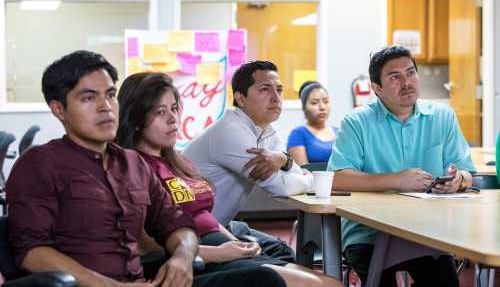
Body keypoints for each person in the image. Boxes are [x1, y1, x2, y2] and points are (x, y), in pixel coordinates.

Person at [6, 50, 287, 287]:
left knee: (263, 279)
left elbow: (178, 226)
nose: (106, 107)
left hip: (149, 279)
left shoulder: (132, 163)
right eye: (89, 98)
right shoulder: (40, 164)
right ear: (58, 109)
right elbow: (32, 252)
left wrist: (182, 256)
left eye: (111, 94)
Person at [116, 71, 341, 287]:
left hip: (216, 242)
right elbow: (146, 246)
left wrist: (232, 241)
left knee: (320, 277)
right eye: (160, 112)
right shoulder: (133, 167)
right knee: (322, 284)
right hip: (194, 258)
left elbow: (204, 216)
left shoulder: (178, 162)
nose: (173, 119)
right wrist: (218, 252)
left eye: (174, 109)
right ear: (136, 119)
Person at [329, 45, 476, 287]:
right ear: (377, 88)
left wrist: (457, 181)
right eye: (395, 77)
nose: (406, 82)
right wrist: (396, 180)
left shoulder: (443, 117)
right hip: (369, 232)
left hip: (426, 230)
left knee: (445, 283)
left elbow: (466, 171)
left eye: (410, 73)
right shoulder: (356, 122)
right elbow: (338, 177)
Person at [183, 61, 313, 226]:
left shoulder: (268, 132)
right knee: (278, 252)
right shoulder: (230, 131)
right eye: (265, 89)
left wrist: (283, 159)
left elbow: (293, 174)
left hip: (220, 225)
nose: (276, 98)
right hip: (190, 231)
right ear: (240, 98)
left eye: (279, 90)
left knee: (278, 248)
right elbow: (281, 188)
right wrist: (313, 182)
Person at [287, 81, 338, 166]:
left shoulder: (340, 132)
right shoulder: (298, 134)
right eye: (314, 103)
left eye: (326, 101)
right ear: (304, 108)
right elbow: (303, 173)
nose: (322, 107)